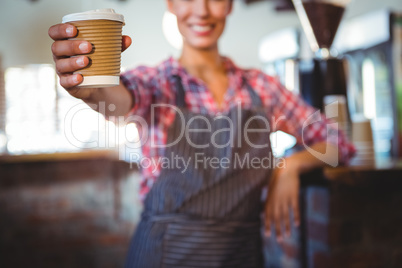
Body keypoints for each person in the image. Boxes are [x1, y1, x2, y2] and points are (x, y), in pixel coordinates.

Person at [49, 0, 355, 267]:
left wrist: (291, 166)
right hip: (163, 256)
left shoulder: (264, 88)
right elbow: (114, 99)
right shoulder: (156, 83)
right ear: (171, 3)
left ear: (231, 5)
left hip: (242, 257)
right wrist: (89, 88)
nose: (202, 10)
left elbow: (337, 144)